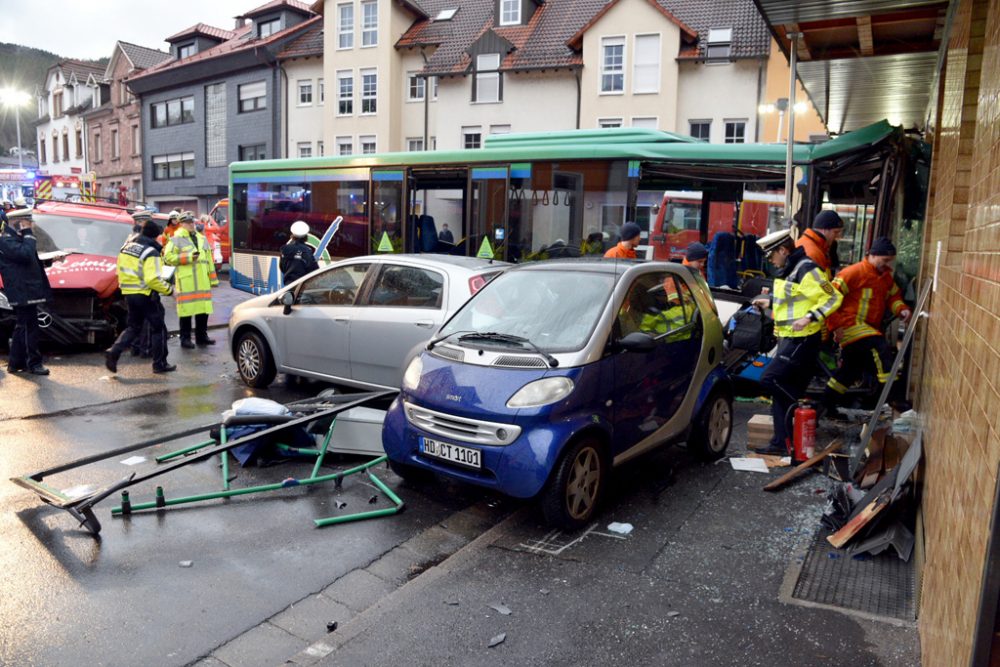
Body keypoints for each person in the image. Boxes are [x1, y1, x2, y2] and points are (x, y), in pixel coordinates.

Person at [752, 229, 843, 461]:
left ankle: (802, 409)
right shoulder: (789, 269)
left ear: (783, 250)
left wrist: (810, 317)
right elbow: (795, 299)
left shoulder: (807, 268)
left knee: (770, 380)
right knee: (780, 389)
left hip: (802, 339)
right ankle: (781, 443)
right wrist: (769, 302)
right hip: (788, 338)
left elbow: (833, 297)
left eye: (772, 255)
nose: (770, 260)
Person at [823, 237, 912, 412]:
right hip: (849, 325)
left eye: (889, 261)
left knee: (849, 371)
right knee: (880, 347)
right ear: (872, 255)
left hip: (866, 328)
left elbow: (893, 297)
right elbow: (828, 298)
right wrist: (835, 327)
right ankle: (893, 397)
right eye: (884, 260)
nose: (887, 265)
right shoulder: (852, 273)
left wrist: (901, 309)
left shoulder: (884, 277)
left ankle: (825, 407)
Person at [105, 218, 175, 374]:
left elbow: (119, 270)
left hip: (129, 293)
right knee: (158, 328)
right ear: (155, 236)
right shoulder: (151, 252)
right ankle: (159, 364)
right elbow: (152, 279)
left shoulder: (126, 247)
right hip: (146, 294)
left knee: (133, 327)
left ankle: (114, 351)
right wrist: (170, 290)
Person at [0, 208, 53, 375]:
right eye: (28, 222)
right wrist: (29, 233)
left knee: (24, 326)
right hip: (22, 290)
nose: (32, 225)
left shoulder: (17, 239)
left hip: (26, 289)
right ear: (20, 223)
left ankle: (16, 363)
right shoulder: (6, 240)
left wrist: (50, 260)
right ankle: (33, 363)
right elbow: (24, 255)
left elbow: (28, 261)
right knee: (29, 327)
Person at [164, 211, 219, 349]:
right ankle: (185, 339)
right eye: (188, 222)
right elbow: (167, 258)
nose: (191, 225)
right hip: (187, 282)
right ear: (181, 224)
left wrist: (213, 279)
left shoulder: (202, 238)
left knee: (203, 311)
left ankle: (202, 337)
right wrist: (188, 258)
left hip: (202, 281)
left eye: (192, 222)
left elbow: (209, 260)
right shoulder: (176, 239)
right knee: (186, 312)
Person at [796, 210, 844, 277]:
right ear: (824, 230)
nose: (838, 237)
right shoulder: (814, 253)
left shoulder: (817, 246)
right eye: (835, 232)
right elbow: (816, 284)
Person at [280, 220, 320, 285]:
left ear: (292, 235)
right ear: (306, 237)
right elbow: (313, 270)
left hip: (288, 285)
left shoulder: (284, 249)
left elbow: (282, 267)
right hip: (301, 286)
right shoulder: (307, 251)